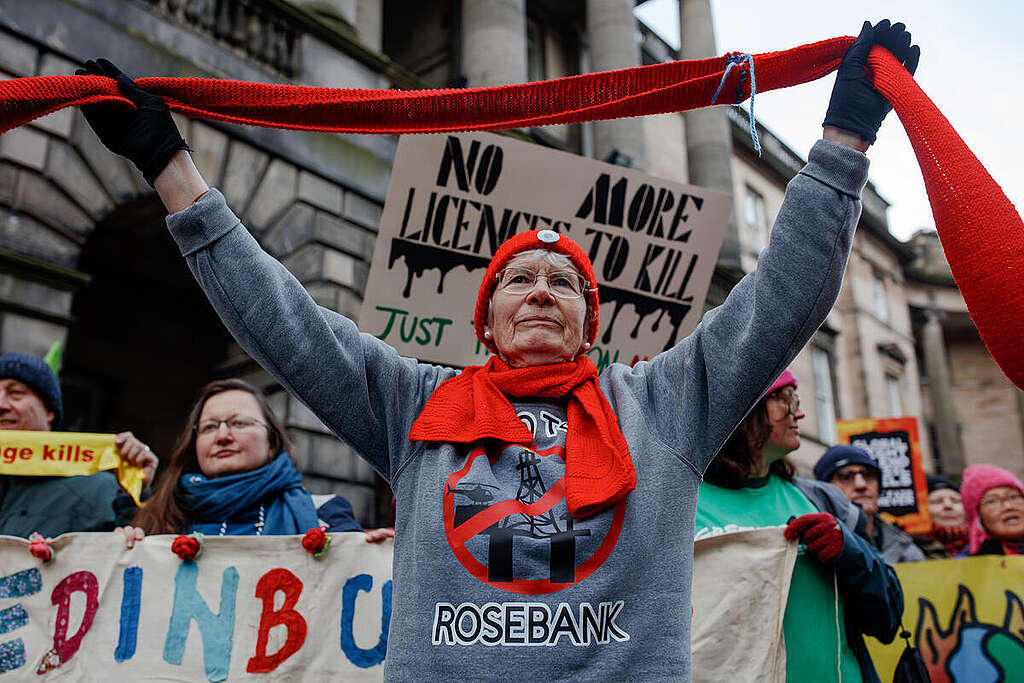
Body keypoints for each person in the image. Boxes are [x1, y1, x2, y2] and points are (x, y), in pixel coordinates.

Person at [79, 19, 919, 681]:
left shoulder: (663, 404)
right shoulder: (415, 404)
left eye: (565, 281)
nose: (544, 290)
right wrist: (170, 168)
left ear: (593, 325)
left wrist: (844, 140)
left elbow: (779, 302)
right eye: (520, 280)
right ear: (484, 324)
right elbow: (285, 322)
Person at [696, 369, 903, 683]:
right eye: (785, 401)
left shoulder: (823, 500)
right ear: (743, 406)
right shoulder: (682, 506)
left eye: (796, 400)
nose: (800, 413)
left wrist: (851, 551)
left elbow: (887, 619)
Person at [116, 378, 391, 547]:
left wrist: (376, 555)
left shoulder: (324, 514)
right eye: (210, 427)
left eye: (239, 423)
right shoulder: (163, 519)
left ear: (271, 441)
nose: (223, 436)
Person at [0, 352, 158, 538]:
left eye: (15, 393)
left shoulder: (102, 490)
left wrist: (133, 493)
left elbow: (135, 552)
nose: (1, 404)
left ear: (49, 411)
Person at [814, 444, 926, 564]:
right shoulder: (812, 549)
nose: (861, 484)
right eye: (845, 476)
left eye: (869, 474)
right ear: (825, 490)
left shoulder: (907, 550)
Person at [960, 464, 1024, 556]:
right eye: (992, 502)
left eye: (1013, 497)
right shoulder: (966, 562)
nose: (1008, 507)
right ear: (978, 517)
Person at [912, 474, 968, 558]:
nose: (948, 505)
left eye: (955, 501)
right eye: (937, 501)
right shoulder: (909, 550)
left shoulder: (983, 545)